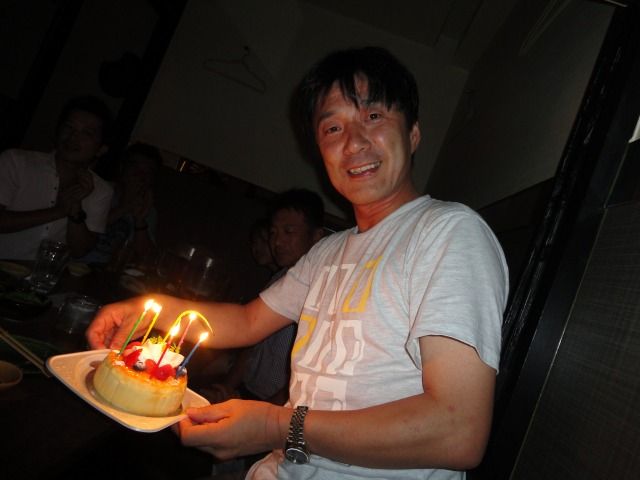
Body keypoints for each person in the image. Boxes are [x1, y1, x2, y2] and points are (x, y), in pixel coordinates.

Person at [87, 46, 508, 479]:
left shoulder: (448, 232)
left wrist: (275, 426)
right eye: (333, 128)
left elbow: (458, 431)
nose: (354, 142)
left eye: (373, 116)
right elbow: (247, 321)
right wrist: (145, 311)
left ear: (413, 133)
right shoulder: (328, 251)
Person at [203, 188, 325, 406]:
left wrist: (259, 413)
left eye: (288, 232)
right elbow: (252, 341)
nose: (277, 242)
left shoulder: (321, 293)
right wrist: (227, 387)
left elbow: (307, 376)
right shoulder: (280, 276)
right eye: (273, 233)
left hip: (274, 408)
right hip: (246, 392)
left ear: (316, 237)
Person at [0, 95, 114, 260]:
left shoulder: (101, 190)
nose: (73, 137)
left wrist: (75, 208)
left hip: (46, 274)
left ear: (101, 149)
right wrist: (59, 211)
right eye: (69, 127)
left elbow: (79, 251)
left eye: (87, 133)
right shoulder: (16, 161)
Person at [80, 142, 161, 267]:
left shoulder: (149, 209)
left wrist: (140, 220)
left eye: (148, 172)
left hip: (110, 271)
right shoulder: (99, 189)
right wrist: (125, 207)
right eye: (135, 168)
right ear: (122, 168)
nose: (141, 176)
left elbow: (146, 256)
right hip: (78, 262)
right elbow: (81, 231)